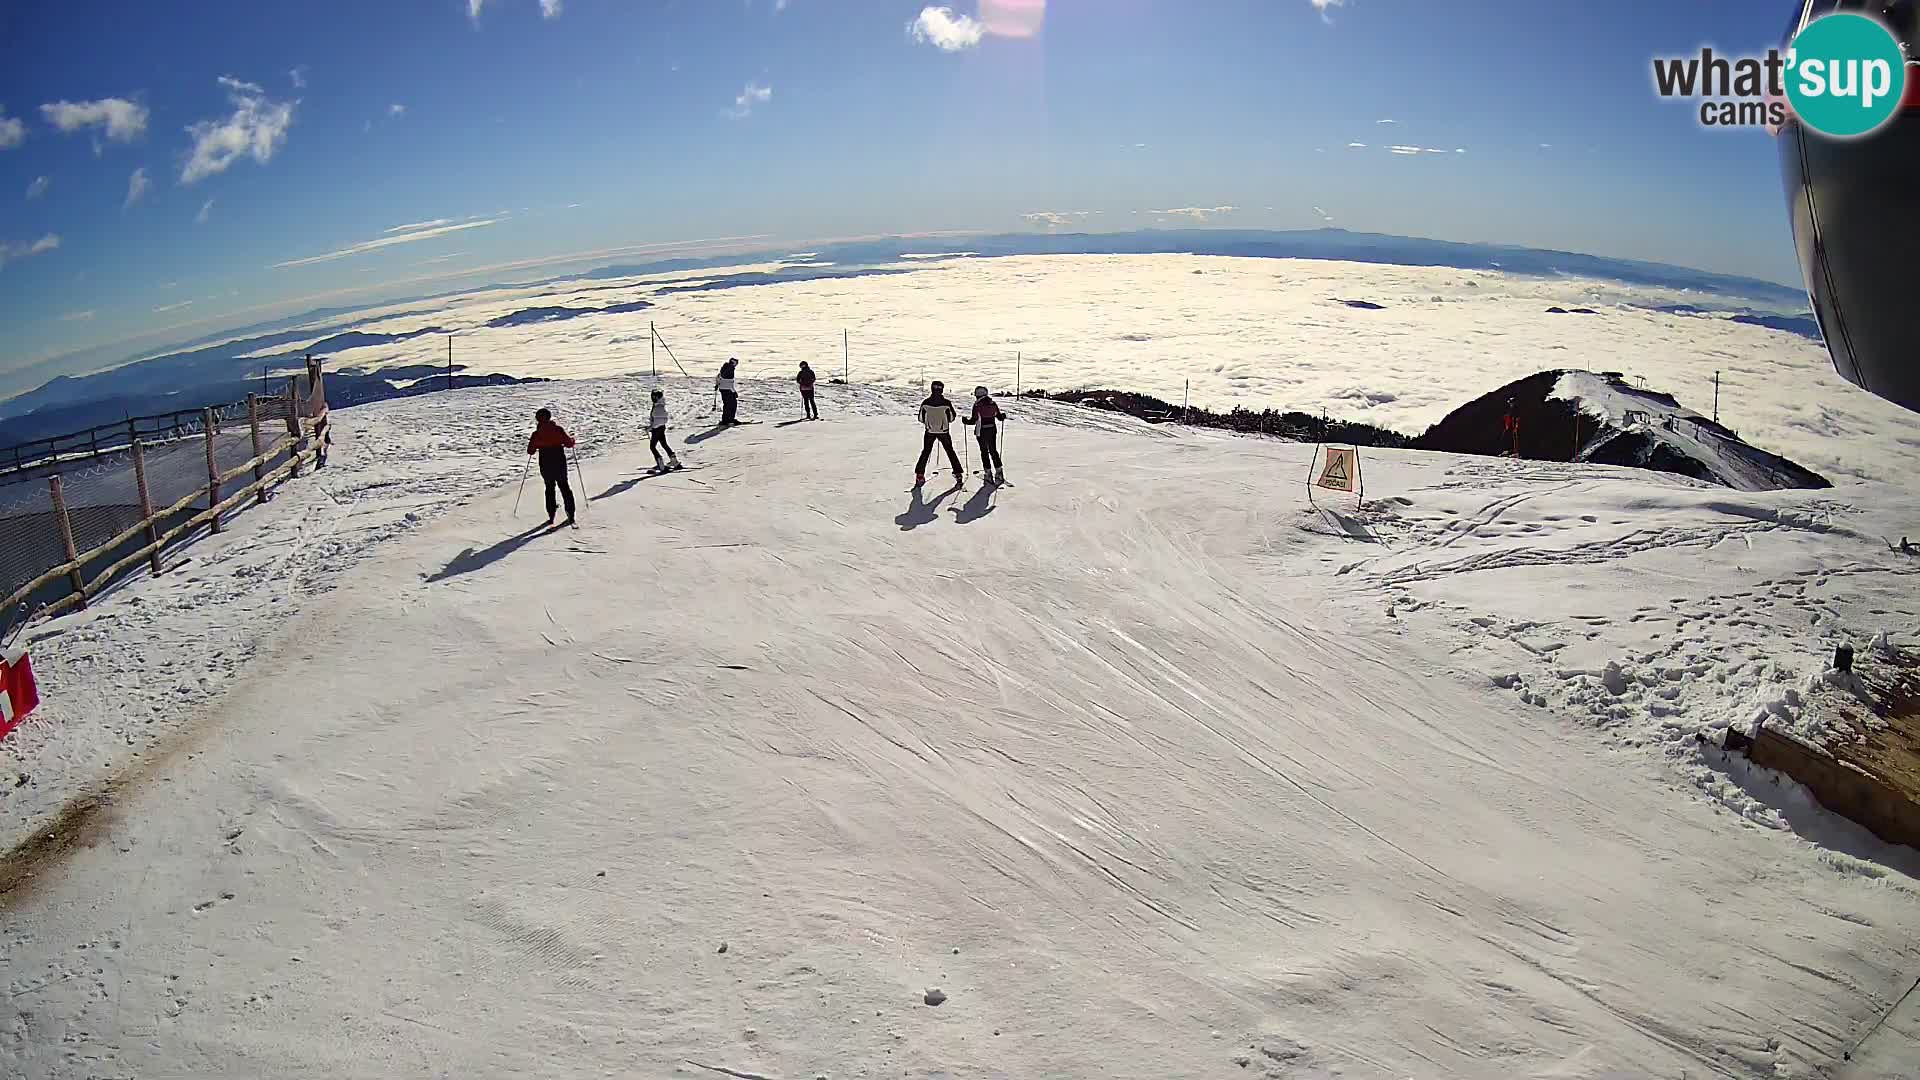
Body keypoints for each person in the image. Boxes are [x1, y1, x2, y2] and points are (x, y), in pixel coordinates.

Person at [527, 407, 577, 526]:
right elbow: (569, 444)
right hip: (559, 460)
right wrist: (572, 440)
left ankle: (551, 515)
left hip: (545, 462)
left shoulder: (536, 434)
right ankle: (571, 515)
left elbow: (530, 451)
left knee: (549, 488)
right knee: (564, 487)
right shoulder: (557, 429)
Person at [914, 380, 963, 486]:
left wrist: (930, 424)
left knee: (926, 452)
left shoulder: (925, 403)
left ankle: (919, 475)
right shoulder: (946, 403)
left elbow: (921, 418)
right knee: (950, 451)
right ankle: (958, 473)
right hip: (943, 431)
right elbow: (952, 418)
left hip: (930, 431)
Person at [962, 385, 1006, 482]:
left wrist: (965, 421)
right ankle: (999, 472)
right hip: (992, 430)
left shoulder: (977, 405)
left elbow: (973, 420)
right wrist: (1003, 416)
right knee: (993, 450)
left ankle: (988, 473)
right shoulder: (993, 403)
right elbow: (999, 417)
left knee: (984, 452)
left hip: (981, 431)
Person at [648, 388, 681, 472]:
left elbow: (660, 420)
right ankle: (674, 461)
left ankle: (661, 464)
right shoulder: (659, 405)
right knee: (664, 444)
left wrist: (652, 427)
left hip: (657, 429)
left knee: (652, 447)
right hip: (660, 428)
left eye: (654, 397)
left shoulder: (658, 407)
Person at [716, 358, 740, 425]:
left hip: (722, 389)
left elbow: (718, 376)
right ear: (734, 363)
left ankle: (725, 419)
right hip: (728, 389)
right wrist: (734, 392)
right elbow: (729, 383)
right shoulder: (730, 369)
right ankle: (730, 420)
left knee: (726, 404)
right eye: (736, 363)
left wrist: (717, 384)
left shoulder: (724, 367)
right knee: (732, 404)